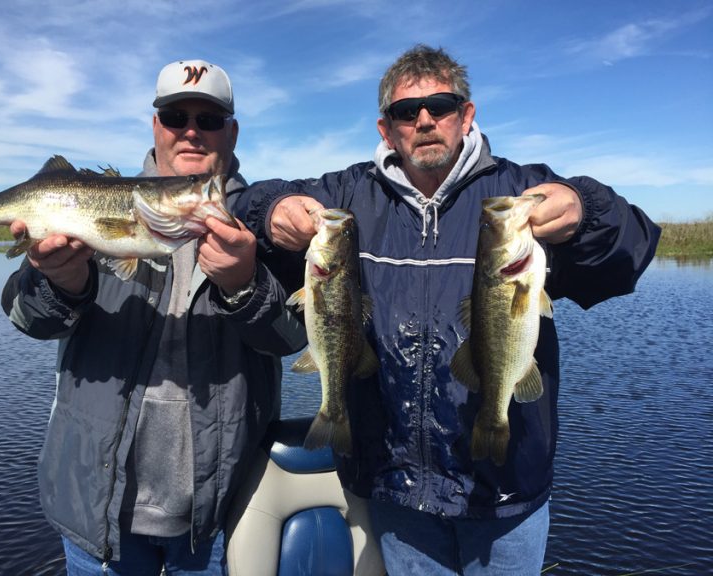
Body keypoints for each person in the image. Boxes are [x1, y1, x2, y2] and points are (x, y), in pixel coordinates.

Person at [234, 45, 661, 575]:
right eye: (405, 111)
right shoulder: (347, 196)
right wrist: (272, 210)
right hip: (396, 488)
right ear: (386, 129)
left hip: (506, 492)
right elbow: (244, 205)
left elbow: (632, 249)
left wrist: (586, 211)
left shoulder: (519, 195)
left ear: (467, 114)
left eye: (441, 105)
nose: (425, 120)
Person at [1, 59, 306, 575]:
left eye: (209, 119)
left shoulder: (263, 223)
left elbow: (293, 338)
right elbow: (24, 319)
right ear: (155, 126)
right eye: (175, 117)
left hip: (219, 518)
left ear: (232, 133)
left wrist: (243, 285)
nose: (191, 131)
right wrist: (61, 283)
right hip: (98, 512)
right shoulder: (93, 204)